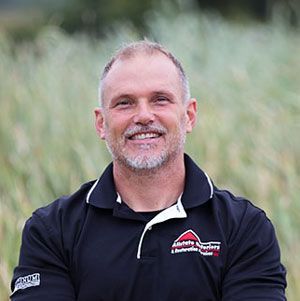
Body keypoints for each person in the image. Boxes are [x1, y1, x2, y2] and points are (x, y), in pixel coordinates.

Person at [11, 40, 286, 300]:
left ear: (189, 116)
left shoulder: (244, 228)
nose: (143, 116)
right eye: (124, 103)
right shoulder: (52, 230)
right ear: (101, 123)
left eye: (160, 99)